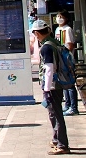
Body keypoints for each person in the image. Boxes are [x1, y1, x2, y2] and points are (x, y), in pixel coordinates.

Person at [31, 20, 70, 155]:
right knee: (54, 114)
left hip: (52, 85)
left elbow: (49, 69)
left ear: (36, 33)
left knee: (56, 115)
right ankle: (56, 140)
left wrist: (46, 90)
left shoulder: (47, 47)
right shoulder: (54, 42)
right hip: (57, 84)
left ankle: (62, 144)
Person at [54, 10, 79, 116]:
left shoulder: (68, 29)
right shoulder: (58, 29)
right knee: (63, 83)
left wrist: (67, 58)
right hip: (59, 59)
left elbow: (70, 44)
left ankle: (74, 107)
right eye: (58, 16)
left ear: (66, 18)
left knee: (70, 83)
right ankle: (67, 105)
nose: (59, 18)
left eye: (61, 16)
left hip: (66, 59)